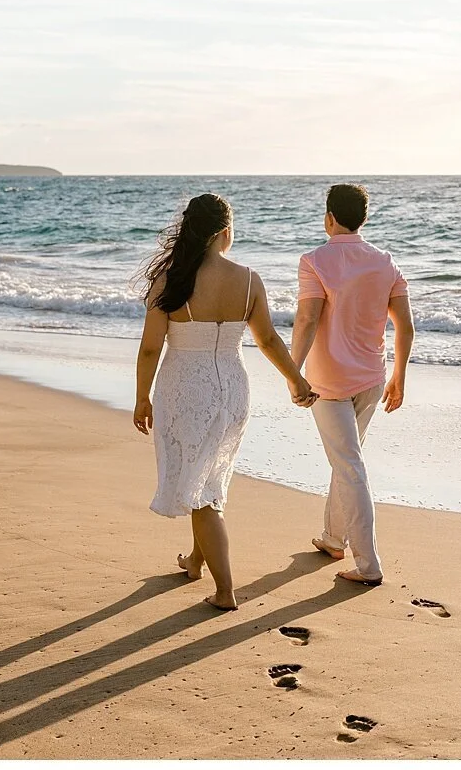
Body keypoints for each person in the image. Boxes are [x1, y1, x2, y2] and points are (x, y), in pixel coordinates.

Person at [133, 193, 317, 612]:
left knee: (201, 491)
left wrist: (142, 397)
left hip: (185, 387)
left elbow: (149, 349)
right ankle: (197, 560)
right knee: (207, 474)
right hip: (233, 387)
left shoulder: (169, 280)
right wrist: (296, 380)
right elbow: (268, 340)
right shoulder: (249, 279)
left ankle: (225, 590)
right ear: (224, 232)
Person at [291, 183, 414, 587]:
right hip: (372, 379)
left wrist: (294, 372)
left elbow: (307, 320)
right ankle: (332, 537)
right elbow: (405, 327)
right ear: (364, 218)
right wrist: (399, 376)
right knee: (347, 460)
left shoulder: (315, 260)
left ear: (329, 217)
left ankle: (368, 565)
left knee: (349, 465)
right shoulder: (385, 261)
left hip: (329, 383)